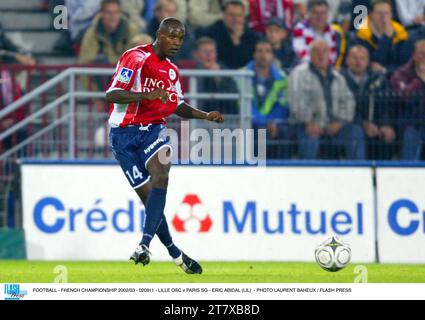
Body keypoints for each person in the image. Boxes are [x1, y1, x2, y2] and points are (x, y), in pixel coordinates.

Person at [105, 18, 224, 272]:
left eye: (180, 38)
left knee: (162, 173)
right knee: (149, 200)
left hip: (153, 130)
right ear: (158, 35)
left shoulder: (172, 71)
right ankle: (175, 253)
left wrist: (205, 115)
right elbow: (112, 94)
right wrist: (145, 95)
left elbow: (177, 105)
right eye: (171, 37)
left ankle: (144, 244)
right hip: (123, 136)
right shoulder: (135, 58)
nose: (176, 43)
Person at [288, 40, 365, 160]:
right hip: (306, 125)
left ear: (329, 54)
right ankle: (307, 175)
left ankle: (358, 174)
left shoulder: (338, 77)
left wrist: (339, 123)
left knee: (356, 133)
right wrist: (309, 121)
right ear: (310, 54)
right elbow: (296, 102)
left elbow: (349, 103)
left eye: (324, 51)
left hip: (334, 127)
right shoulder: (298, 74)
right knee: (310, 140)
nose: (321, 55)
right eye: (316, 51)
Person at [341, 45, 397, 160]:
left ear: (368, 61)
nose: (358, 62)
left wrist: (385, 125)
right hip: (350, 125)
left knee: (388, 135)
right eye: (354, 58)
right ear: (347, 60)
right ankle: (358, 172)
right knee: (356, 133)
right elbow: (342, 109)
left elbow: (386, 106)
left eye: (362, 58)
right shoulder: (340, 79)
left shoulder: (379, 79)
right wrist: (363, 124)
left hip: (376, 125)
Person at [245, 40, 291, 158]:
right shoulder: (242, 76)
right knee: (259, 132)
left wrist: (274, 122)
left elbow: (283, 106)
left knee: (284, 132)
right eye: (260, 51)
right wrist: (264, 122)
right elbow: (245, 107)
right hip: (250, 123)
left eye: (267, 51)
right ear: (254, 54)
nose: (263, 55)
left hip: (274, 123)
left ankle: (283, 171)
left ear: (272, 56)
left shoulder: (281, 78)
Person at [197, 0, 259, 69]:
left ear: (244, 18)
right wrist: (234, 40)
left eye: (239, 15)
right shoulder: (212, 33)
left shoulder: (252, 37)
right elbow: (226, 60)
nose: (235, 19)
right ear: (224, 16)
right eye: (231, 15)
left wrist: (237, 41)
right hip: (219, 74)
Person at [355, 0, 410, 75]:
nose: (383, 17)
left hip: (394, 76)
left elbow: (404, 64)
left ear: (391, 15)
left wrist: (385, 70)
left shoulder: (401, 34)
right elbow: (372, 63)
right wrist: (386, 38)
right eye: (379, 13)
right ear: (371, 15)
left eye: (386, 13)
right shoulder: (362, 34)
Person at [391, 40, 425, 160]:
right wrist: (420, 79)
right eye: (422, 53)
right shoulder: (401, 73)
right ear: (414, 55)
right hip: (410, 124)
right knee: (411, 135)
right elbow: (403, 97)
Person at [79, 0, 140, 65]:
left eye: (116, 12)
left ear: (120, 13)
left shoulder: (131, 31)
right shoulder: (92, 34)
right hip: (101, 74)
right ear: (102, 14)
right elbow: (85, 63)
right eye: (108, 12)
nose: (112, 16)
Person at [292, 0, 346, 68]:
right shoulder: (298, 30)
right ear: (308, 14)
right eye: (316, 13)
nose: (320, 17)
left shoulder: (335, 33)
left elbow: (335, 58)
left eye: (323, 13)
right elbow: (301, 57)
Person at [193, 37, 239, 114]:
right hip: (196, 119)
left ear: (216, 54)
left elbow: (234, 98)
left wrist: (218, 79)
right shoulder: (190, 71)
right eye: (205, 51)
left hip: (222, 120)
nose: (209, 55)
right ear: (196, 54)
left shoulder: (224, 71)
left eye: (212, 51)